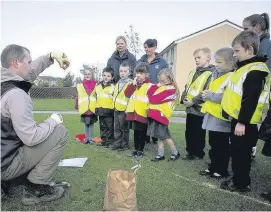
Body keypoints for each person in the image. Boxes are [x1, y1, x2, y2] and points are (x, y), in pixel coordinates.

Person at [1, 44, 70, 205]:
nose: (31, 67)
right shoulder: (16, 95)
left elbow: (31, 72)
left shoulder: (5, 82)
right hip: (6, 165)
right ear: (17, 63)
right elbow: (31, 138)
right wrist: (53, 120)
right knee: (60, 132)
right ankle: (36, 187)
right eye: (29, 62)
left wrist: (51, 56)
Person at [220, 31, 270, 192]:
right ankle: (238, 178)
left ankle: (241, 183)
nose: (235, 55)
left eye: (237, 51)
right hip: (239, 119)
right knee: (236, 152)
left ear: (249, 49)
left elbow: (251, 99)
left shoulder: (256, 70)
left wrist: (242, 122)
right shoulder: (246, 67)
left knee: (241, 154)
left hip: (245, 122)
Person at [199, 48, 235, 179]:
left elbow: (230, 98)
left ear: (231, 62)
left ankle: (221, 170)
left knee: (222, 146)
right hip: (213, 115)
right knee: (214, 144)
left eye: (219, 62)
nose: (216, 64)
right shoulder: (216, 74)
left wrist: (211, 96)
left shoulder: (232, 77)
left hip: (222, 118)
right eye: (216, 61)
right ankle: (213, 167)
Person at [243, 13, 271, 158]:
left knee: (252, 117)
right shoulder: (260, 42)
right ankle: (250, 146)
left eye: (246, 28)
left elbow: (261, 66)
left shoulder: (264, 44)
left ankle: (251, 147)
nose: (244, 32)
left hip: (260, 87)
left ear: (257, 27)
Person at [180, 48, 216, 160]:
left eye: (199, 57)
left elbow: (206, 91)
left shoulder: (211, 74)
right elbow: (187, 87)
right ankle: (190, 151)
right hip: (190, 109)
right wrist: (183, 98)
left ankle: (198, 153)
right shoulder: (193, 72)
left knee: (198, 133)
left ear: (208, 58)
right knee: (189, 132)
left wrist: (193, 101)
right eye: (195, 58)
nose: (196, 60)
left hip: (200, 109)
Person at [137, 39, 168, 144]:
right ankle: (145, 137)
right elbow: (136, 74)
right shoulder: (140, 61)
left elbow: (167, 76)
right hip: (143, 92)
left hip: (157, 92)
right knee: (144, 113)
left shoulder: (162, 62)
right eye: (145, 47)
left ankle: (155, 137)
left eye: (150, 47)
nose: (147, 49)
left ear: (155, 47)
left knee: (154, 114)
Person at [147, 68, 180, 162]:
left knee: (165, 136)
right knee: (159, 136)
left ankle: (175, 152)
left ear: (170, 79)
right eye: (160, 80)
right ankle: (160, 154)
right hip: (156, 115)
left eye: (163, 81)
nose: (161, 82)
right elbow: (149, 93)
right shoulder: (161, 87)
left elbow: (153, 99)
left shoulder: (171, 89)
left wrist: (152, 95)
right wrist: (156, 86)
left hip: (162, 116)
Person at [125, 62, 152, 158]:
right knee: (136, 132)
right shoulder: (133, 84)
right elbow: (127, 94)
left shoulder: (149, 86)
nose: (138, 75)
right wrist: (133, 85)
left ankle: (141, 150)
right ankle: (136, 149)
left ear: (146, 75)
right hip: (134, 113)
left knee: (142, 133)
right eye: (137, 73)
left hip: (143, 113)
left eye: (141, 73)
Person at [111, 62, 133, 151]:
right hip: (116, 109)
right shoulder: (118, 82)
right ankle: (117, 144)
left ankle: (124, 145)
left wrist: (128, 109)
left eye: (125, 71)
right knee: (116, 128)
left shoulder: (131, 83)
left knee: (124, 128)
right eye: (121, 71)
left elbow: (131, 98)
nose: (122, 73)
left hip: (124, 110)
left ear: (129, 72)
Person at [75, 65, 97, 144]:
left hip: (92, 108)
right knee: (85, 124)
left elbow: (97, 96)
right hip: (84, 108)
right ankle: (86, 138)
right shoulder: (81, 85)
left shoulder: (96, 85)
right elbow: (78, 96)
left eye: (89, 74)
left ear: (92, 75)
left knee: (91, 124)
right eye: (86, 74)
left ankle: (90, 138)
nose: (87, 75)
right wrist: (76, 105)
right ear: (84, 75)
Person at [95, 67, 115, 147]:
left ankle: (109, 141)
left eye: (108, 76)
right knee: (102, 126)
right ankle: (103, 140)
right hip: (100, 109)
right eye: (104, 75)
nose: (106, 77)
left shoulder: (113, 87)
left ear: (112, 77)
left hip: (109, 110)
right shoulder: (98, 86)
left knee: (109, 127)